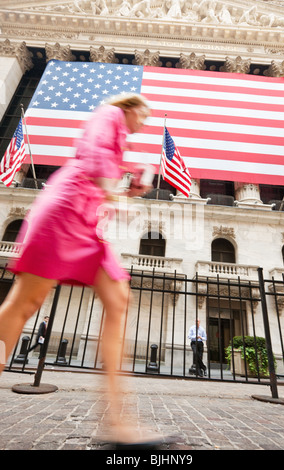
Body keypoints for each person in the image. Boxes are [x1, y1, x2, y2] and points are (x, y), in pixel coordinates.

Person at [0, 93, 162, 448]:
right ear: (130, 108)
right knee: (23, 305)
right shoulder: (109, 115)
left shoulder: (120, 139)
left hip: (86, 223)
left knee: (119, 300)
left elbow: (104, 183)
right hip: (63, 213)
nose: (143, 123)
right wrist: (120, 196)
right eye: (143, 116)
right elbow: (94, 161)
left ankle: (118, 422)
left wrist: (130, 192)